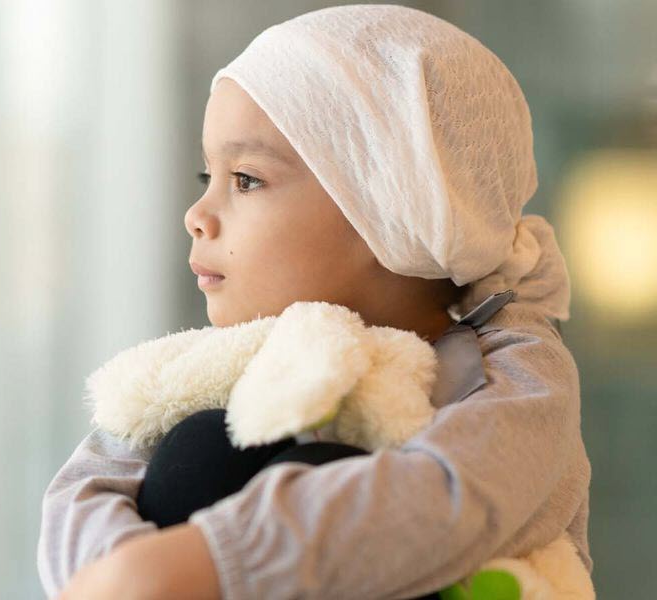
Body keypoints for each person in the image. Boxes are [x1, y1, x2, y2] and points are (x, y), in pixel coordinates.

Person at [37, 5, 592, 599]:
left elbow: (455, 492)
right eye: (208, 179)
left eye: (246, 179)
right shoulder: (220, 364)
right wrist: (126, 567)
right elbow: (89, 486)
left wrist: (218, 560)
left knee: (313, 462)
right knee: (200, 450)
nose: (196, 217)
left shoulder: (514, 374)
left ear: (389, 209)